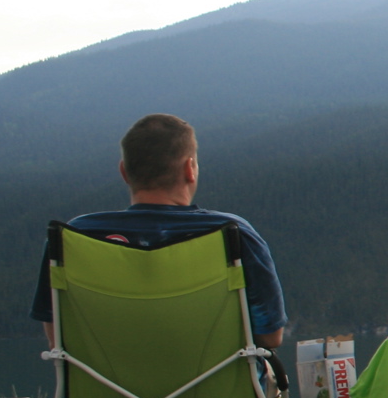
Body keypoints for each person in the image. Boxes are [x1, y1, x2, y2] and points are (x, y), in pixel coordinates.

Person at [32, 114, 287, 349]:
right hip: (218, 397)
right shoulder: (234, 233)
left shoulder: (75, 236)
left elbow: (58, 333)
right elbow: (270, 336)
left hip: (103, 397)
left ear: (124, 172)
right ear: (190, 169)